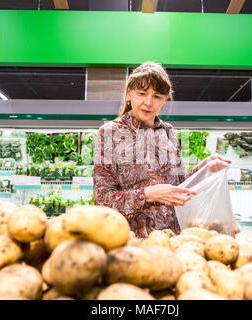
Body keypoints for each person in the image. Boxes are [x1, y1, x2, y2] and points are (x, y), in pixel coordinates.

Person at [93, 62, 231, 238]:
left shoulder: (169, 132)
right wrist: (148, 194)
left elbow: (179, 185)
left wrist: (203, 169)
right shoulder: (110, 132)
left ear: (165, 100)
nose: (148, 102)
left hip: (174, 238)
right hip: (132, 241)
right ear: (129, 93)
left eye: (157, 96)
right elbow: (102, 199)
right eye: (142, 94)